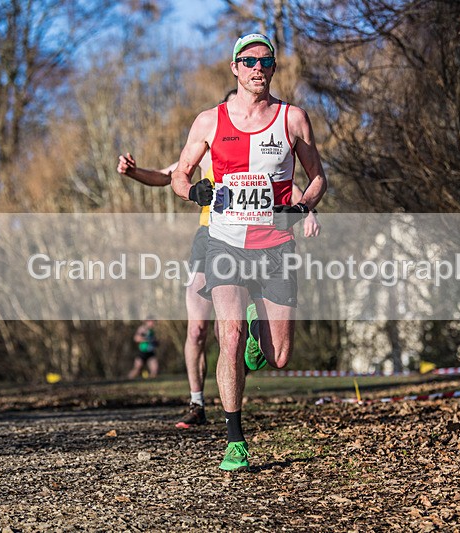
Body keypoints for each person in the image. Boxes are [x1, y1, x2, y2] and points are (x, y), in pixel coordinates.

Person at [117, 90, 320, 429]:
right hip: (210, 240)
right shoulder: (208, 148)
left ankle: (251, 340)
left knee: (239, 337)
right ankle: (197, 403)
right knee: (198, 328)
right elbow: (169, 176)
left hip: (259, 241)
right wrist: (134, 173)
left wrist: (308, 212)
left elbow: (292, 187)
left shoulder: (262, 153)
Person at [170, 33, 327, 471]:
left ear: (273, 68)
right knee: (229, 335)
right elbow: (180, 175)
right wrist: (193, 191)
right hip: (224, 243)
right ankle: (235, 440)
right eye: (250, 60)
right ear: (235, 68)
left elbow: (318, 178)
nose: (258, 67)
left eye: (266, 61)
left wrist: (302, 206)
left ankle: (261, 332)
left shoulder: (293, 119)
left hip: (275, 245)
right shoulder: (209, 121)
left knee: (280, 355)